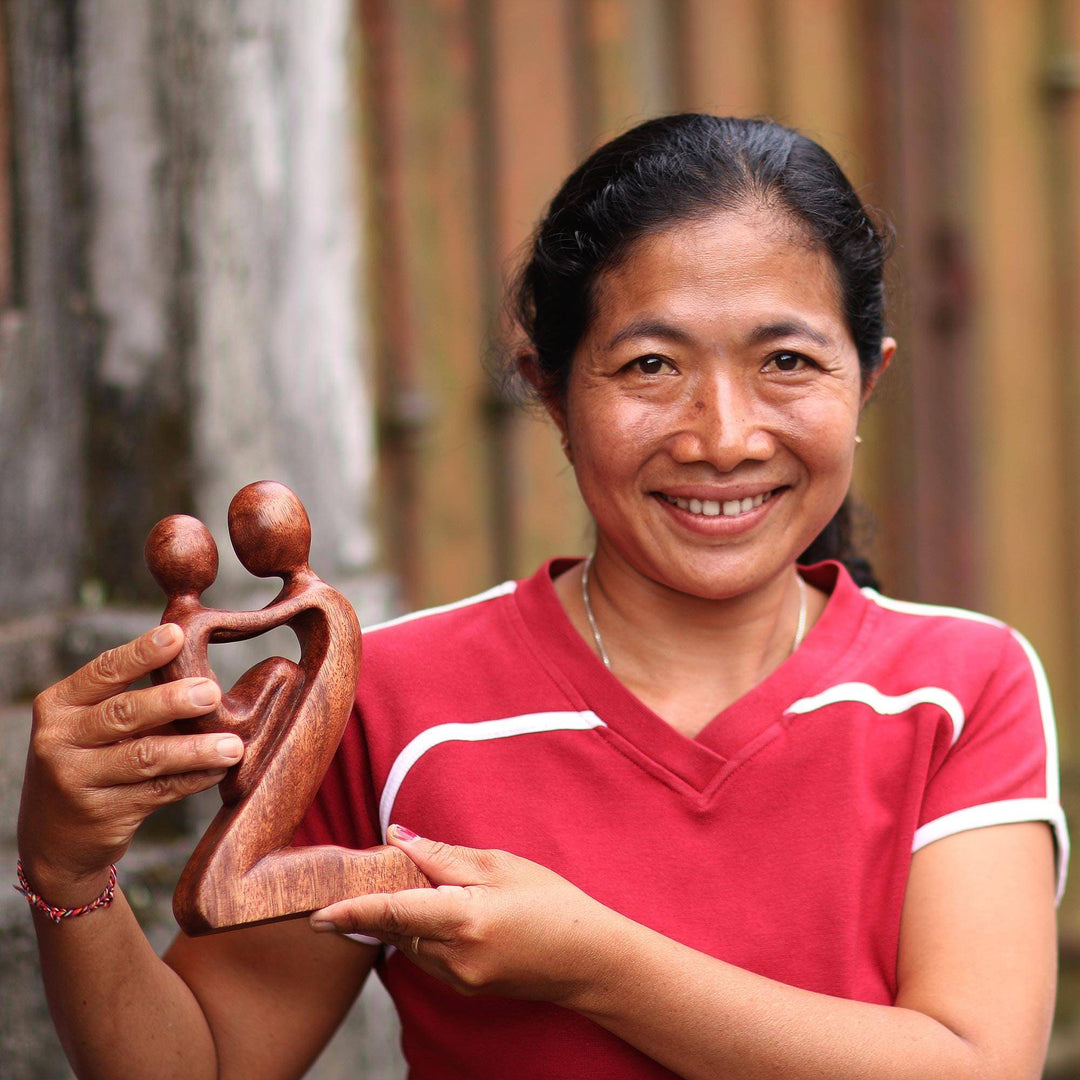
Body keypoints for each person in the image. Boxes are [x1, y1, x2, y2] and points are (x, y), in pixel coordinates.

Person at [18, 115, 1066, 1080]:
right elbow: (201, 1065)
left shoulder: (960, 687)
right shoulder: (393, 700)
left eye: (788, 361)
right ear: (551, 390)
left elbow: (973, 1065)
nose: (724, 435)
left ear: (866, 382)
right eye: (651, 365)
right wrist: (69, 872)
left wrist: (595, 964)